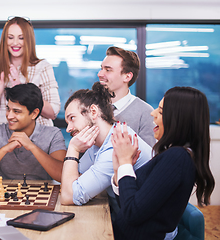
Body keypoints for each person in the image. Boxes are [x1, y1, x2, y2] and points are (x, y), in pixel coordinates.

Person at [111, 87, 215, 240]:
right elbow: (126, 205)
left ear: (178, 120)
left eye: (160, 112)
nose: (152, 113)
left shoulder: (177, 158)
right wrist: (119, 168)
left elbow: (132, 214)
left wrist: (125, 162)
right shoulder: (173, 155)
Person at [60, 82, 152, 215]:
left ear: (93, 112)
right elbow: (70, 183)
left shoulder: (117, 144)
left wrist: (73, 149)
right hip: (124, 217)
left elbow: (69, 196)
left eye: (72, 118)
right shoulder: (97, 144)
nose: (68, 129)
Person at [0, 83, 66, 182]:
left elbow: (63, 175)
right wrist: (5, 149)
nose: (9, 116)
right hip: (3, 195)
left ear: (34, 113)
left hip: (43, 195)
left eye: (16, 111)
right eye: (8, 109)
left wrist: (31, 146)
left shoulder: (53, 134)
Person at [0, 16, 60, 126]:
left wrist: (23, 90)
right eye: (10, 37)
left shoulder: (42, 67)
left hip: (38, 138)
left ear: (28, 40)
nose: (15, 43)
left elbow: (53, 112)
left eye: (21, 38)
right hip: (7, 137)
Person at [98, 46, 156, 147]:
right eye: (101, 68)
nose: (100, 74)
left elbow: (148, 158)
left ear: (127, 76)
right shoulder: (92, 106)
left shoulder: (145, 112)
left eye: (108, 70)